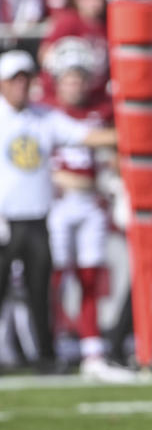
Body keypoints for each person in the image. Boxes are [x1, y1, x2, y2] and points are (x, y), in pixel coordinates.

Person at [0, 50, 115, 374]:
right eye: (14, 79)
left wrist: (133, 130)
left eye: (25, 78)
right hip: (5, 218)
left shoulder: (43, 116)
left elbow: (85, 136)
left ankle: (45, 356)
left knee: (41, 291)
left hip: (37, 217)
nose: (21, 85)